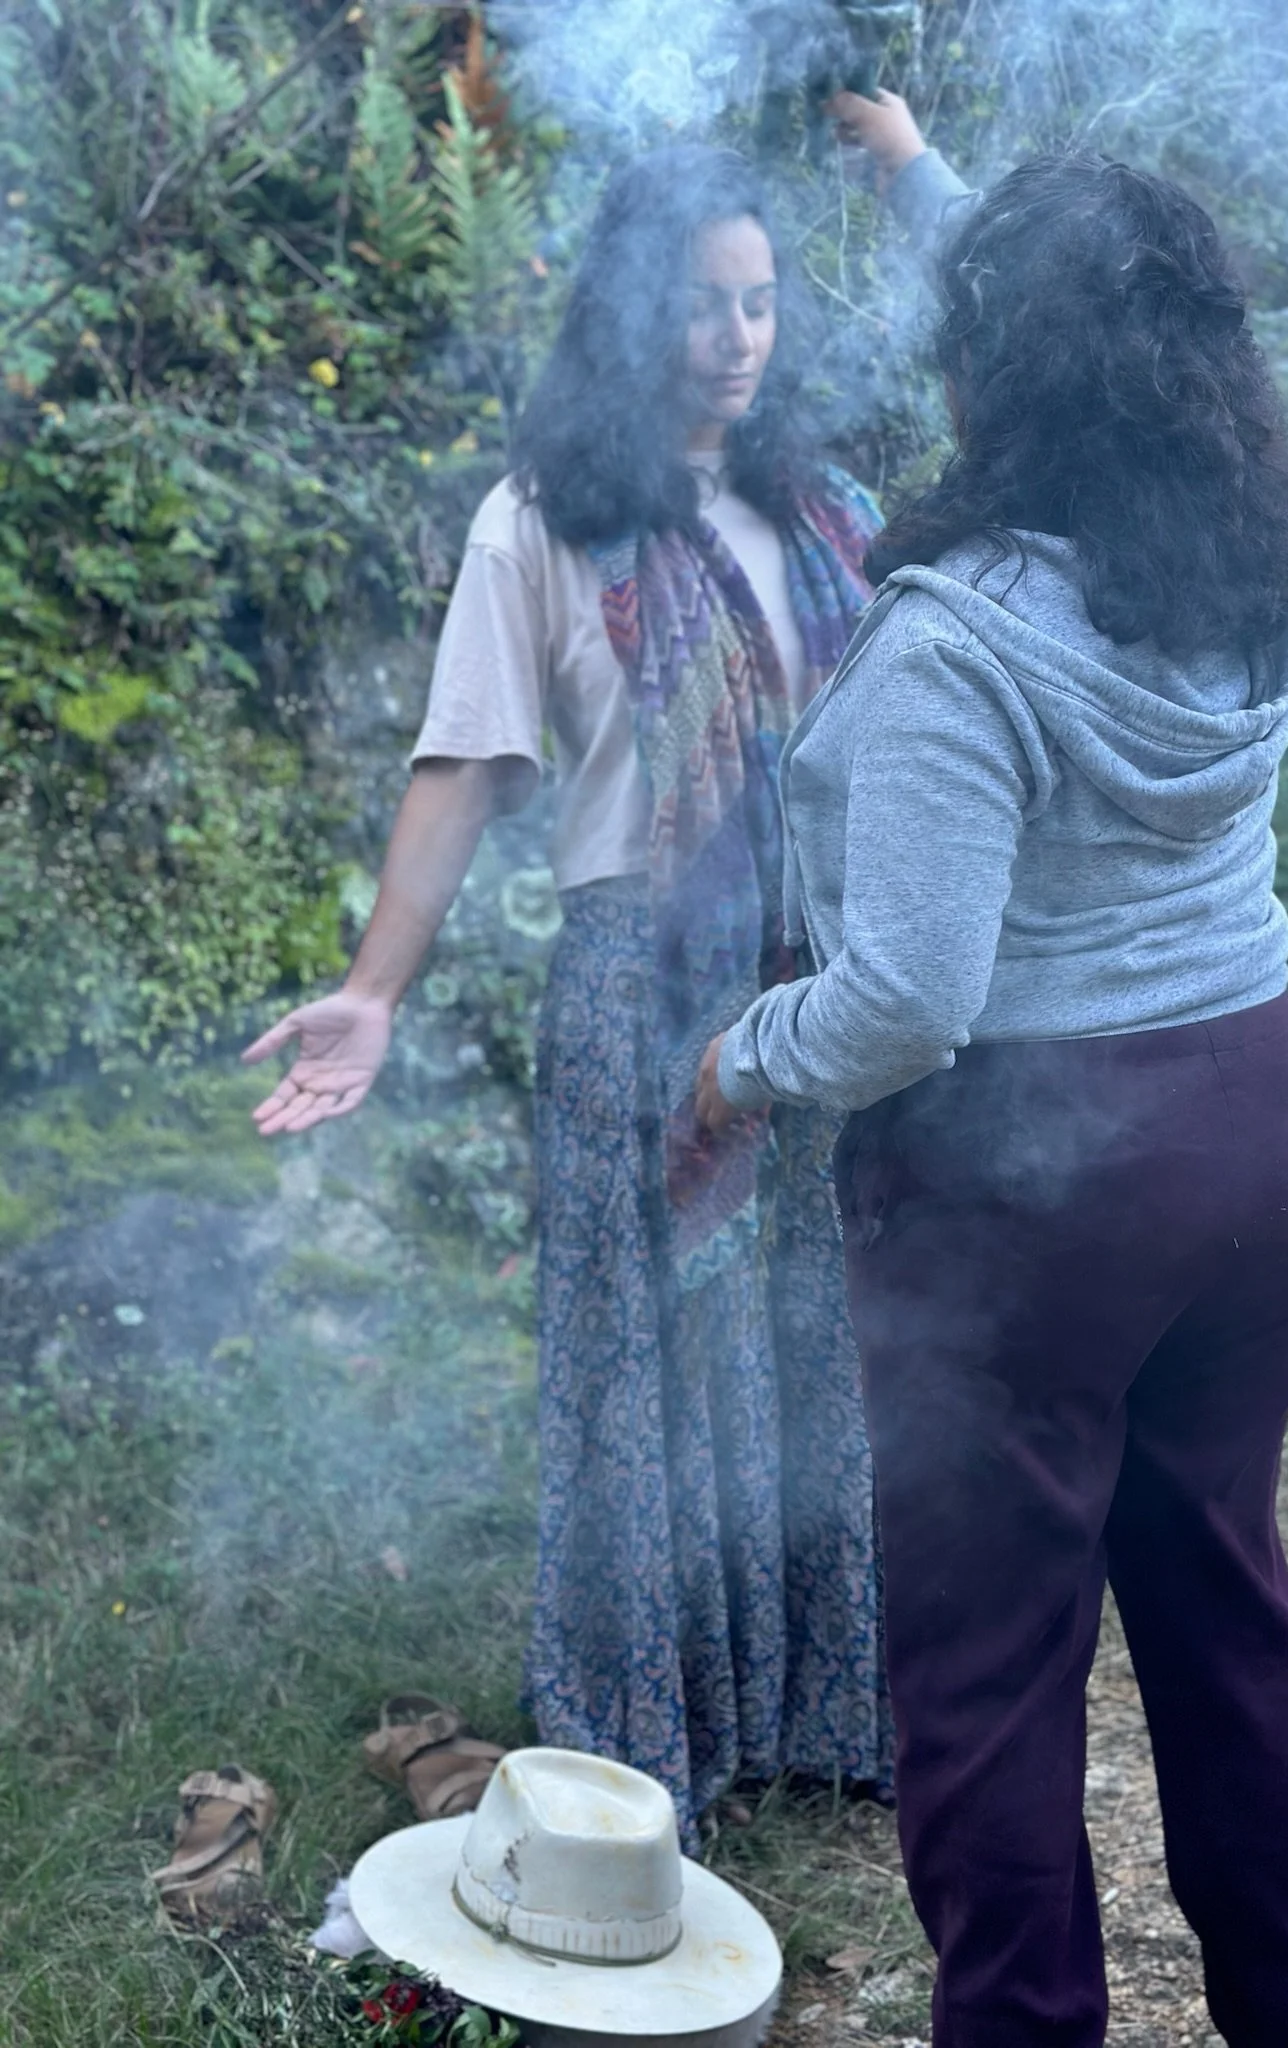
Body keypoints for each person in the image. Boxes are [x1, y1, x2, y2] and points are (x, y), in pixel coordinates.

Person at [696, 107, 1288, 2048]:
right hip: (1257, 1143)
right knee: (1229, 1618)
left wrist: (739, 1064)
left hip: (1037, 1190)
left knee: (988, 1680)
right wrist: (915, 172)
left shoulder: (953, 643)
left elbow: (907, 999)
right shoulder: (1246, 559)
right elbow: (1097, 302)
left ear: (1000, 366)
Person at [243, 146, 891, 1847]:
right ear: (628, 310)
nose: (737, 337)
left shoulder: (829, 516)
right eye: (698, 303)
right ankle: (652, 1734)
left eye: (760, 301)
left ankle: (816, 1710)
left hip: (822, 997)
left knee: (811, 1351)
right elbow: (464, 765)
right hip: (640, 999)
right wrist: (377, 993)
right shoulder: (543, 518)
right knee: (653, 1370)